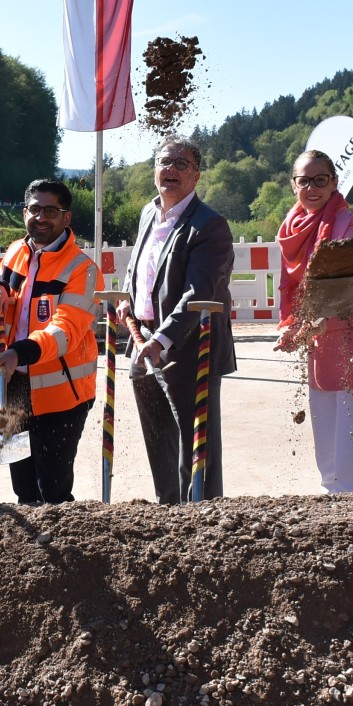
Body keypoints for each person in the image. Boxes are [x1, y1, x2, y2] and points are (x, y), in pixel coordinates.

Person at [275, 148, 353, 493]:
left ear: (334, 183)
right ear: (293, 185)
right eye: (304, 181)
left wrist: (315, 321)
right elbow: (293, 291)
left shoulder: (350, 225)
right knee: (328, 467)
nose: (312, 188)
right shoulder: (290, 229)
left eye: (320, 180)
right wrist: (291, 326)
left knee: (349, 468)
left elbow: (345, 283)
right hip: (320, 353)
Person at [121, 137, 239, 502]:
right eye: (164, 162)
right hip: (142, 339)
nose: (170, 169)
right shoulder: (149, 211)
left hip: (189, 347)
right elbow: (139, 265)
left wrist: (161, 340)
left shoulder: (209, 226)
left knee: (197, 442)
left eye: (181, 164)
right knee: (158, 438)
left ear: (196, 175)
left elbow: (199, 293)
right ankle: (168, 509)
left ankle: (202, 514)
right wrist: (127, 298)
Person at [0, 179, 100, 504]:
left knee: (53, 491)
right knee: (24, 487)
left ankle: (64, 536)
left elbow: (66, 330)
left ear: (66, 217)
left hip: (62, 395)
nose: (41, 217)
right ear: (24, 212)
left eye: (50, 211)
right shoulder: (18, 250)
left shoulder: (82, 269)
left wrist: (20, 352)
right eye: (34, 209)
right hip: (15, 386)